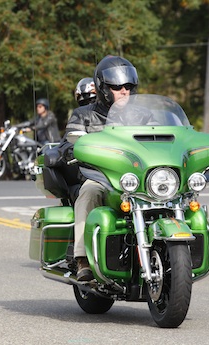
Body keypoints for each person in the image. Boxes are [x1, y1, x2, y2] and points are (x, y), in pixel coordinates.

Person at [65, 55, 138, 281]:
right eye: (117, 87)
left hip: (136, 178)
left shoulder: (142, 116)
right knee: (89, 193)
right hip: (100, 176)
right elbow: (70, 146)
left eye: (128, 86)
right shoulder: (84, 114)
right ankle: (82, 260)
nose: (124, 91)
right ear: (103, 88)